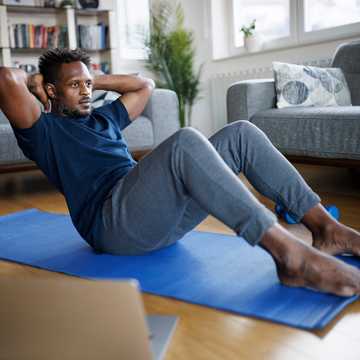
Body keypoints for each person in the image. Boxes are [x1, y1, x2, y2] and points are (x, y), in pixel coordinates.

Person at [0, 48, 359, 297]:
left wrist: (91, 76)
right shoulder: (43, 132)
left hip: (156, 218)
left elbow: (146, 86)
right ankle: (288, 255)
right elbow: (5, 78)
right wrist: (35, 83)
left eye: (88, 85)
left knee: (240, 133)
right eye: (74, 85)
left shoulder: (104, 117)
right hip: (114, 226)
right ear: (51, 90)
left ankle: (326, 230)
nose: (86, 91)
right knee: (186, 140)